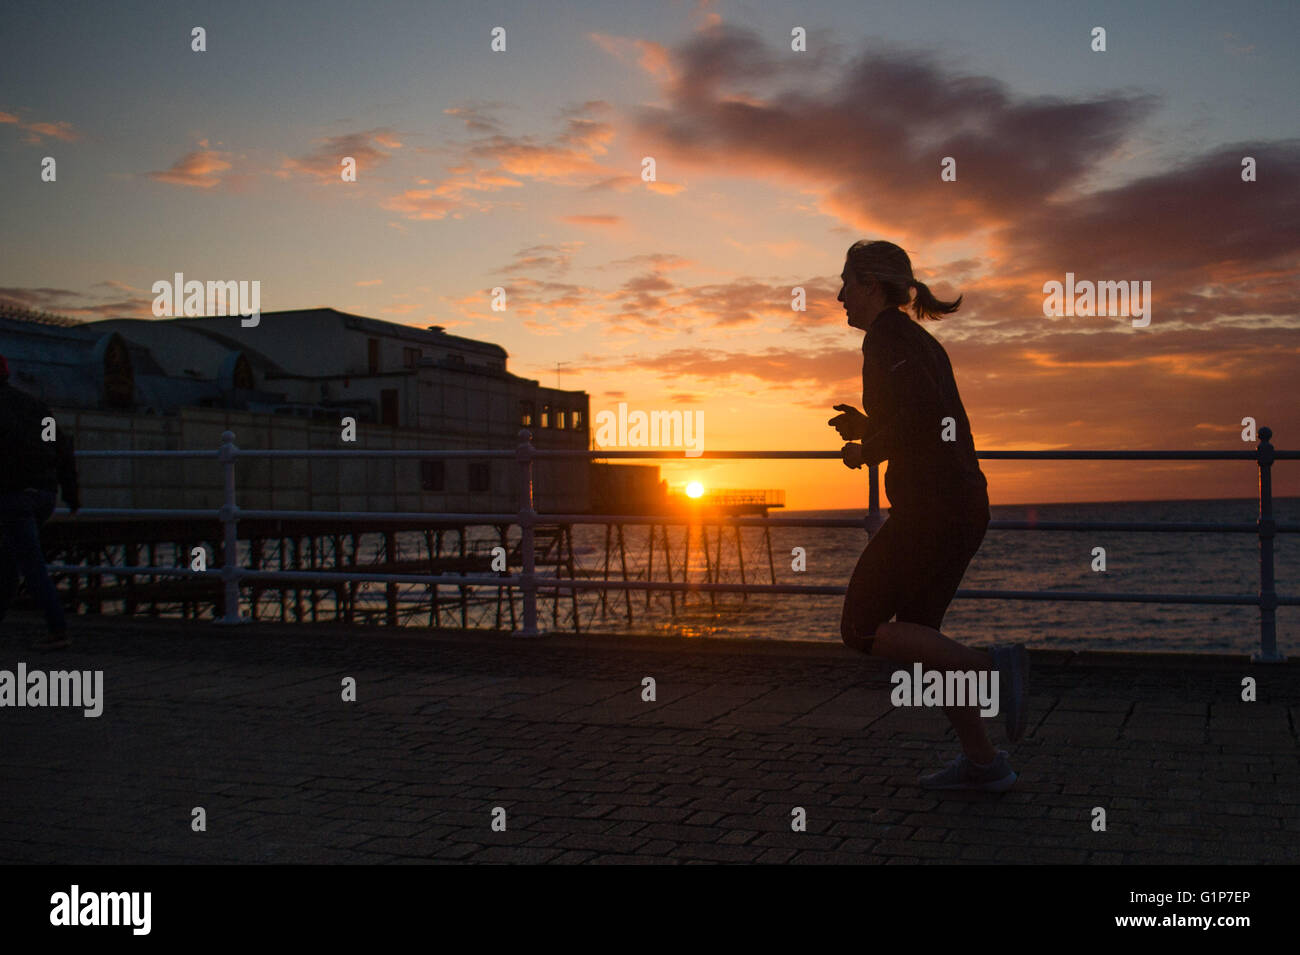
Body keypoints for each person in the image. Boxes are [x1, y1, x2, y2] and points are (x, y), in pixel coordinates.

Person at [830, 240, 1028, 791]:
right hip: (958, 504)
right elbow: (925, 419)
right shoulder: (911, 340)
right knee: (922, 640)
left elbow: (921, 423)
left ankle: (993, 669)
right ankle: (985, 762)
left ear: (871, 285)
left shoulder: (887, 338)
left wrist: (866, 451)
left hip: (934, 509)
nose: (839, 295)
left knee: (860, 626)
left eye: (846, 282)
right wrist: (869, 429)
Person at [0, 354, 80, 650]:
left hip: (12, 496)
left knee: (29, 565)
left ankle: (58, 629)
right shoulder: (37, 407)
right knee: (10, 559)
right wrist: (71, 494)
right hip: (44, 495)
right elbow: (62, 449)